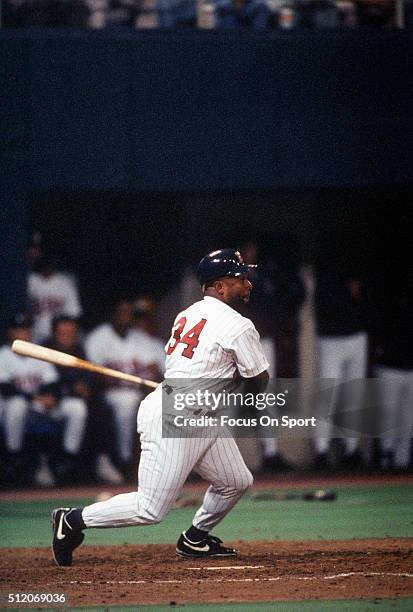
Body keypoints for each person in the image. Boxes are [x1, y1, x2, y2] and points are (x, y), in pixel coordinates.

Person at [51, 248, 269, 566]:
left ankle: (195, 539)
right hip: (178, 414)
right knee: (150, 509)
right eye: (241, 278)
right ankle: (72, 519)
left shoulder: (188, 314)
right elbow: (258, 383)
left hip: (193, 408)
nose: (248, 284)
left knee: (236, 481)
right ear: (221, 286)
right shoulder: (238, 326)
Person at [0, 313, 87, 486]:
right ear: (10, 332)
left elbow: (52, 382)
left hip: (38, 405)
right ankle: (13, 458)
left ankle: (68, 460)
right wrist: (36, 398)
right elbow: (6, 388)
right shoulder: (3, 355)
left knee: (76, 406)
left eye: (26, 329)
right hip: (10, 406)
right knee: (17, 405)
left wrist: (52, 397)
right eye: (19, 329)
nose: (24, 333)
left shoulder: (38, 352)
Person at [85, 299, 163, 478]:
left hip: (137, 391)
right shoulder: (99, 337)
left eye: (129, 314)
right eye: (121, 312)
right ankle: (124, 459)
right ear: (112, 314)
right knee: (125, 404)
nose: (126, 317)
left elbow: (155, 369)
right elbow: (95, 374)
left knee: (161, 403)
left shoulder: (139, 338)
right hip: (110, 394)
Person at [47, 316, 123, 484]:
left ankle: (102, 460)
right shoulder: (45, 349)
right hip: (53, 402)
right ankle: (61, 463)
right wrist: (70, 389)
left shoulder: (79, 350)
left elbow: (88, 376)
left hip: (75, 401)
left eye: (71, 333)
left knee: (101, 407)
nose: (68, 337)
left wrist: (86, 387)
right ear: (54, 334)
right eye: (63, 333)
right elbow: (46, 383)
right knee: (77, 408)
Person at [27, 250, 82, 343]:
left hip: (57, 338)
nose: (47, 267)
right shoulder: (30, 280)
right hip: (34, 335)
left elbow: (73, 313)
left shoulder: (65, 282)